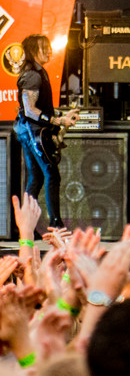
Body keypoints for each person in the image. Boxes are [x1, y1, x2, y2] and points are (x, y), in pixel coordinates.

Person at [13, 34, 78, 230]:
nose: (50, 51)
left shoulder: (38, 73)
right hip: (34, 132)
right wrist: (58, 120)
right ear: (34, 51)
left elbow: (37, 108)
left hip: (30, 131)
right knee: (51, 174)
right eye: (45, 48)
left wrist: (61, 116)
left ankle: (26, 224)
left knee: (37, 177)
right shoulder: (33, 75)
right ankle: (55, 224)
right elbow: (30, 109)